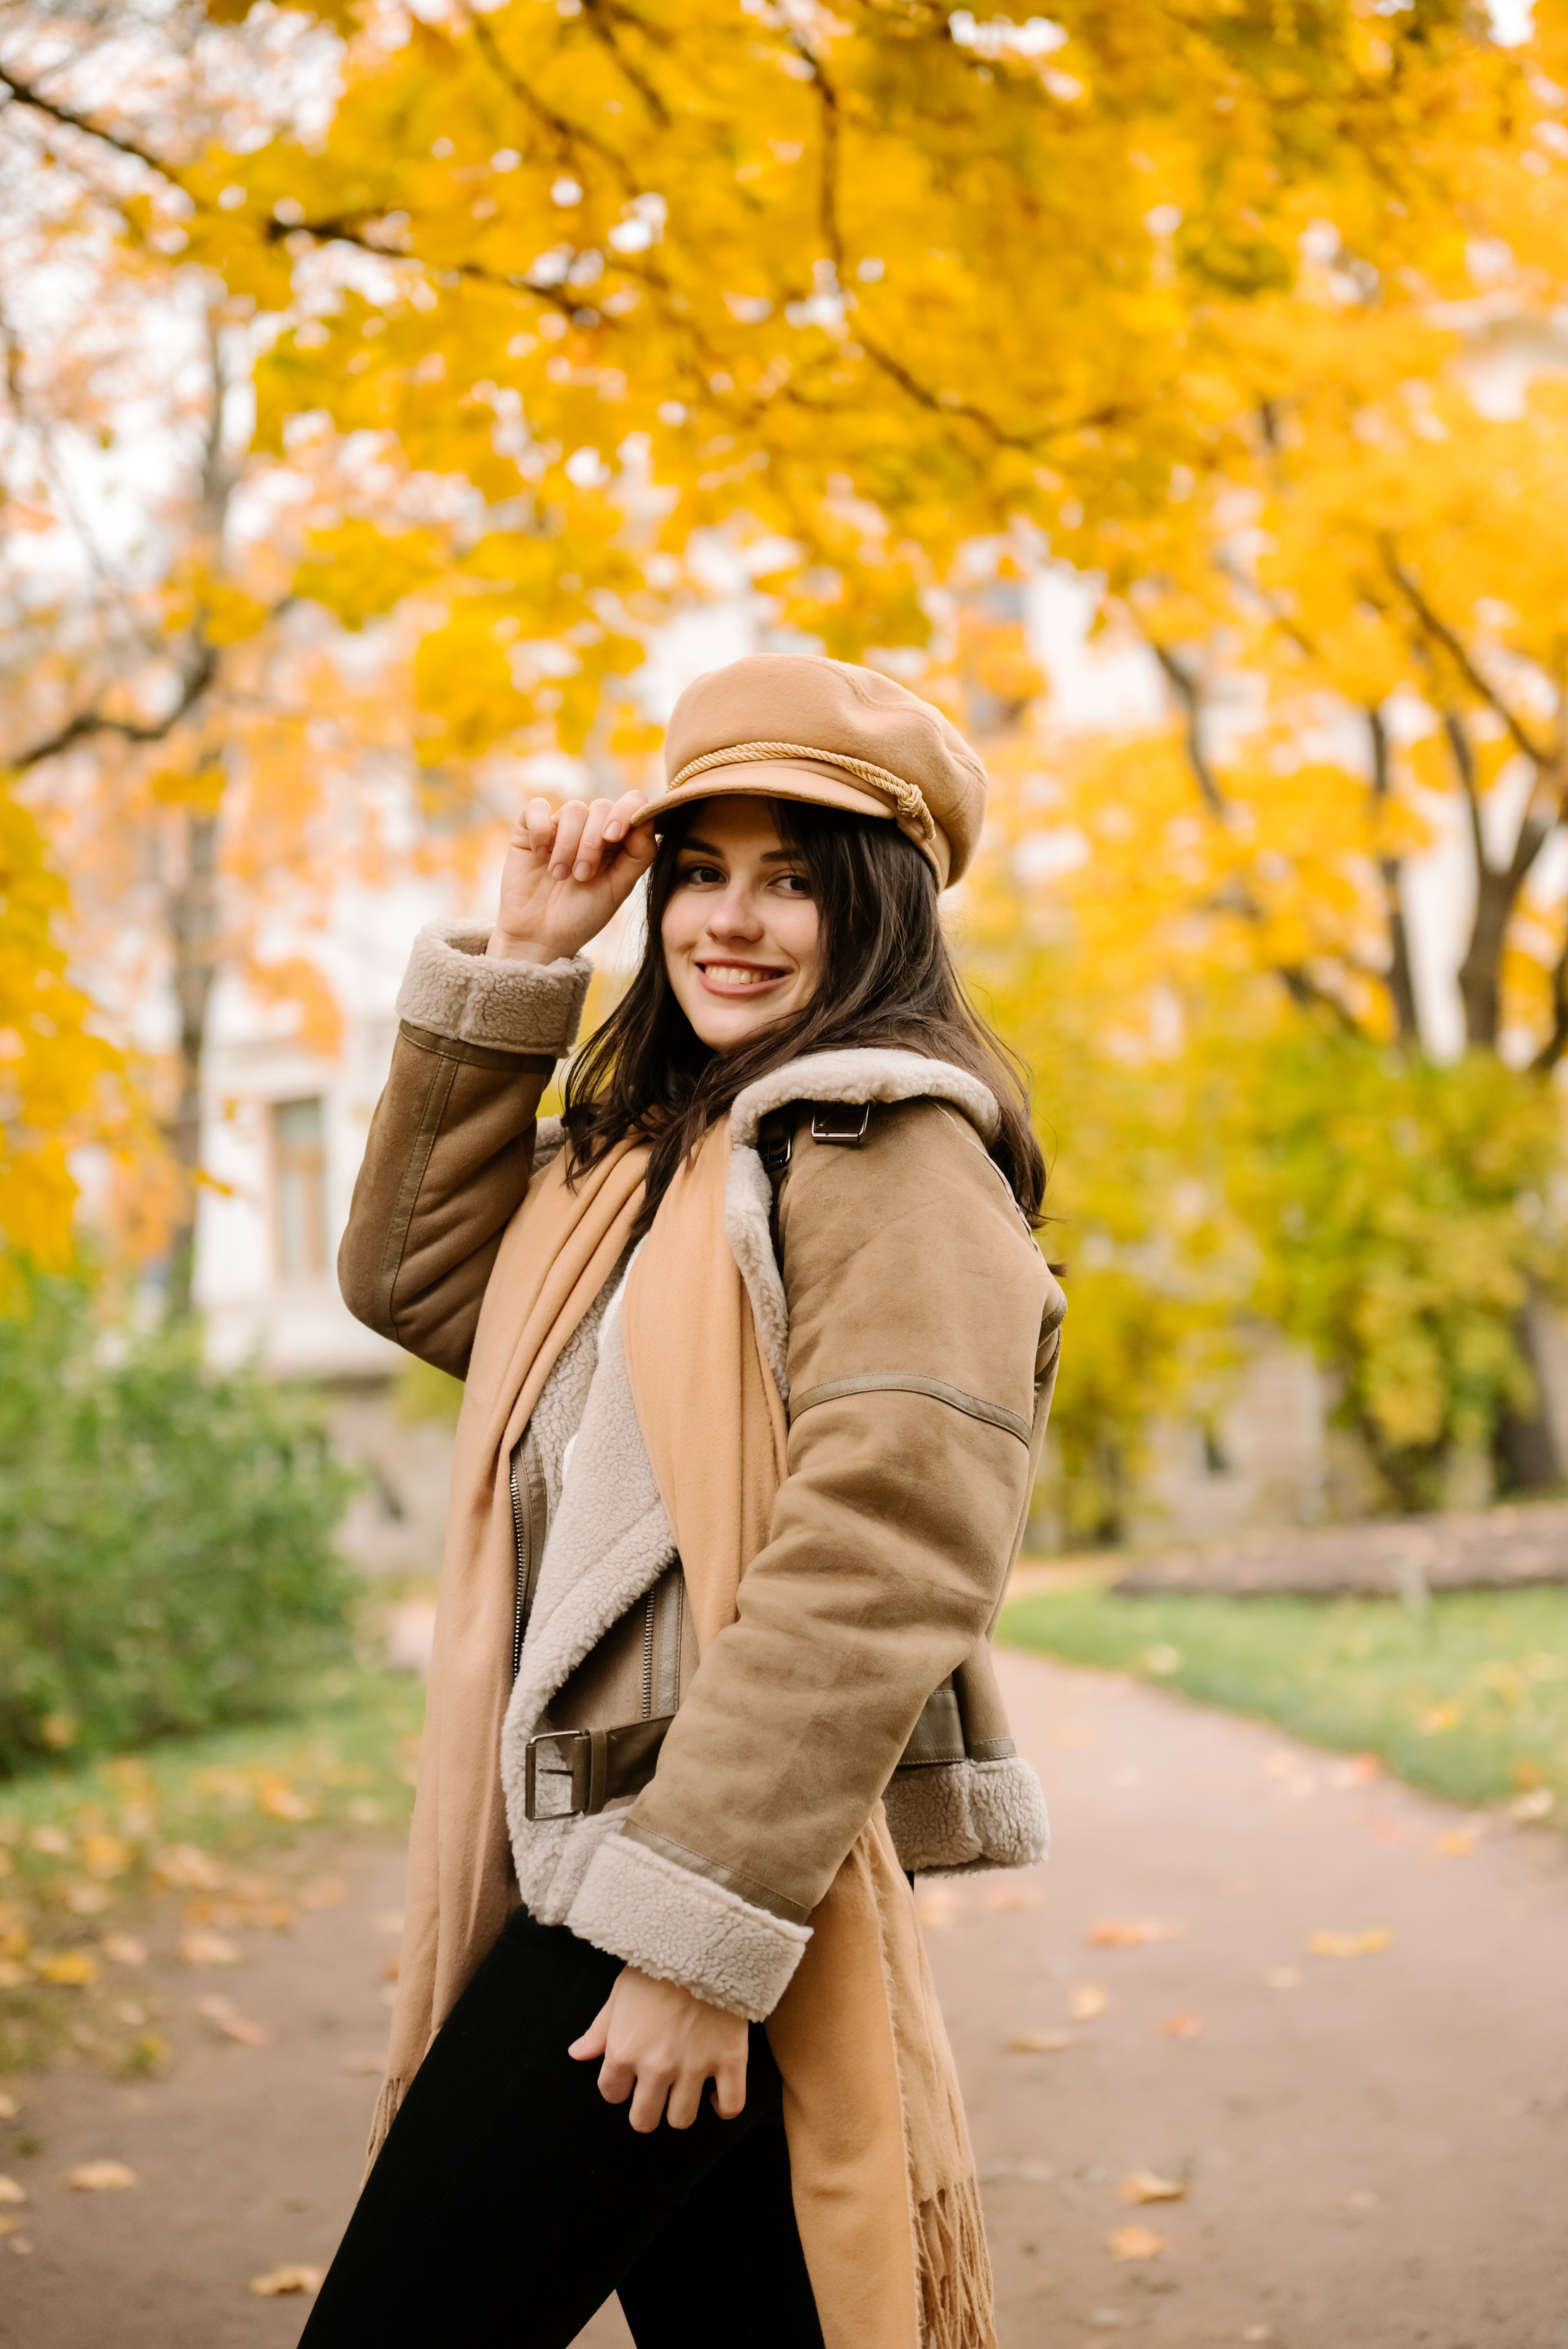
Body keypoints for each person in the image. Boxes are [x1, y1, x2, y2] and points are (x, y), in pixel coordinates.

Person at [304, 654, 1066, 2349]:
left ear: (879, 911)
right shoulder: (650, 1152)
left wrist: (689, 1945)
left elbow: (881, 1561)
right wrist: (525, 961)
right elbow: (419, 1278)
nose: (733, 918)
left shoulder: (889, 1154)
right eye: (701, 869)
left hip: (662, 1882)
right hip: (605, 1856)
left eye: (795, 877)